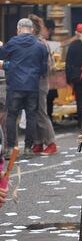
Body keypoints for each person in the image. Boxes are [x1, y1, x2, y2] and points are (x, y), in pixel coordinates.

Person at [0, 18, 48, 156]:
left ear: (18, 29)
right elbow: (44, 69)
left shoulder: (13, 43)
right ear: (32, 29)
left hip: (15, 85)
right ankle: (28, 148)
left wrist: (8, 63)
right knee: (31, 117)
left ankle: (10, 148)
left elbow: (2, 55)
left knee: (11, 116)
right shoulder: (40, 45)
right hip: (32, 86)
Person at [27, 15, 57, 155]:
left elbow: (49, 66)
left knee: (41, 113)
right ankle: (38, 142)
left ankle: (51, 142)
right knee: (33, 113)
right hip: (30, 81)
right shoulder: (32, 41)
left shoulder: (40, 43)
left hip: (39, 81)